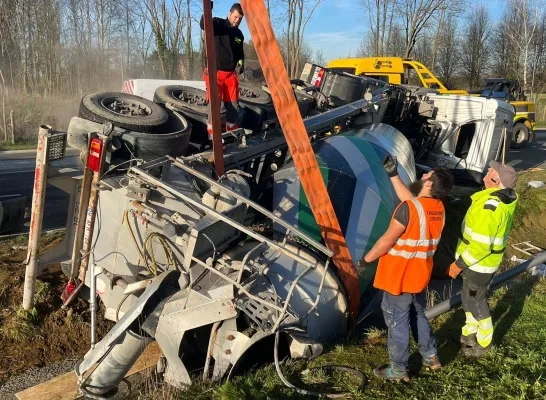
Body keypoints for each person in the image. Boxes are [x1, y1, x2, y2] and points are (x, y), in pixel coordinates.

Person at [359, 156, 454, 382]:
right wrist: (393, 175)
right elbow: (413, 202)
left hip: (398, 278)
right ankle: (431, 357)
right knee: (418, 315)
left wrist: (365, 260)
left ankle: (398, 370)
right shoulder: (437, 207)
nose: (422, 176)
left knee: (397, 322)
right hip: (419, 276)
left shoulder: (408, 209)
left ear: (429, 184)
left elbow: (386, 241)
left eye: (426, 175)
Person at [448, 161, 518, 357]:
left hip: (479, 264)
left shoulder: (490, 207)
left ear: (496, 181)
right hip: (476, 262)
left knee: (476, 300)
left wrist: (458, 264)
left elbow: (481, 247)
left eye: (491, 171)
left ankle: (484, 343)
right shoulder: (497, 198)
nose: (487, 170)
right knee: (467, 297)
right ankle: (469, 333)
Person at [200, 3, 245, 141]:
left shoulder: (239, 34)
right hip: (215, 72)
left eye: (240, 18)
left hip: (230, 74)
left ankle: (231, 136)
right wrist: (208, 9)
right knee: (214, 106)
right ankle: (212, 137)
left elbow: (239, 52)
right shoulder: (218, 24)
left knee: (233, 106)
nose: (237, 20)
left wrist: (241, 61)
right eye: (235, 16)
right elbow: (204, 24)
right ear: (229, 14)